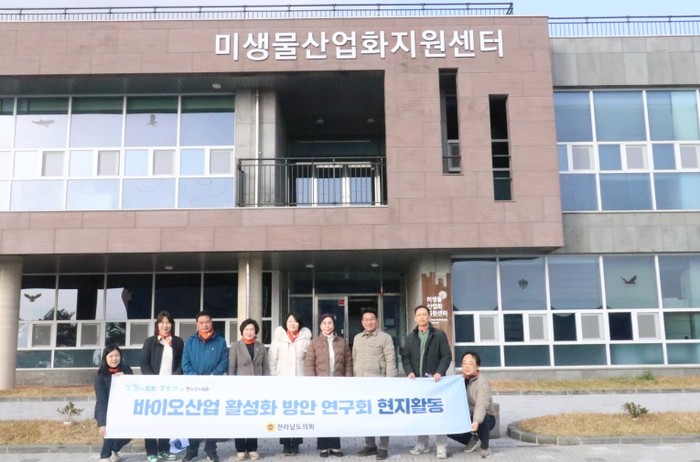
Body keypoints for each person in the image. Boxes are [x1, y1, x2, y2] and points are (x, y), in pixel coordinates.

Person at [401, 305, 452, 460]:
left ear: (429, 317)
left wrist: (439, 371)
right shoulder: (411, 337)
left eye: (424, 314)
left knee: (438, 414)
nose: (422, 317)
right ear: (415, 318)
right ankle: (422, 444)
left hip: (435, 382)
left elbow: (446, 356)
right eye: (419, 315)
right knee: (421, 413)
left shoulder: (439, 335)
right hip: (418, 383)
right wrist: (409, 371)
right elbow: (405, 357)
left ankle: (441, 446)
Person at [182, 311, 229, 462]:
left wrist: (214, 375)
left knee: (212, 419)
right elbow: (185, 363)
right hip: (194, 387)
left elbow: (224, 361)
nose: (205, 325)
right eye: (201, 322)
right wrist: (194, 378)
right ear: (197, 324)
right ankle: (192, 450)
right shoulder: (190, 342)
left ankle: (211, 449)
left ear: (211, 322)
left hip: (214, 386)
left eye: (207, 322)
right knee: (193, 419)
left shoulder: (220, 341)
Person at [304, 313, 353, 458]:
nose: (327, 326)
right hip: (321, 384)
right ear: (320, 326)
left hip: (338, 383)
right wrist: (312, 382)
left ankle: (335, 446)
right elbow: (309, 364)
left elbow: (348, 363)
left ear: (334, 325)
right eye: (324, 323)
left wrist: (348, 380)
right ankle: (323, 446)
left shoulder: (342, 342)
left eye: (330, 323)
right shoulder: (314, 343)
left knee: (336, 414)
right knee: (323, 415)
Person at [352, 308, 396, 460]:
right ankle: (370, 445)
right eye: (366, 319)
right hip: (362, 383)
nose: (369, 322)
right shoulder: (357, 338)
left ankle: (383, 447)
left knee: (382, 416)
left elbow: (391, 360)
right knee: (367, 415)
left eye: (371, 319)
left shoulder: (385, 338)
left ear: (376, 320)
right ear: (362, 322)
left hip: (380, 382)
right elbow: (354, 359)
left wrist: (390, 381)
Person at [141, 310, 185, 462]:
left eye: (168, 323)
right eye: (162, 322)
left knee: (166, 419)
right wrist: (154, 381)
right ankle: (151, 452)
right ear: (157, 325)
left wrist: (176, 375)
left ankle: (164, 450)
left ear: (172, 325)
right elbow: (144, 364)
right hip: (153, 388)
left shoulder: (178, 342)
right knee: (151, 420)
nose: (165, 326)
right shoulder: (150, 342)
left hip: (171, 388)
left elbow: (181, 363)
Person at [268, 312, 313, 456]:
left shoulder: (306, 340)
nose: (292, 324)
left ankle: (296, 444)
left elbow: (310, 360)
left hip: (300, 380)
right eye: (290, 321)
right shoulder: (278, 340)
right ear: (285, 323)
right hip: (282, 381)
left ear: (299, 324)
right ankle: (286, 444)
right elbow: (272, 360)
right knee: (285, 412)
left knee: (298, 412)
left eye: (295, 321)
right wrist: (274, 377)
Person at [229, 318, 270, 461]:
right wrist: (232, 387)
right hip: (240, 389)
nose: (249, 332)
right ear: (242, 331)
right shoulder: (235, 346)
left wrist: (266, 385)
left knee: (254, 418)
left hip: (257, 388)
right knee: (240, 419)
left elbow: (266, 368)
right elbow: (231, 368)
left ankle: (252, 448)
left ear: (255, 331)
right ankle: (240, 449)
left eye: (252, 329)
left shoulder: (260, 346)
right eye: (246, 329)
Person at [448, 351, 497, 459]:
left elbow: (481, 405)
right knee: (446, 425)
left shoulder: (482, 382)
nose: (467, 366)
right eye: (464, 363)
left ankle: (485, 447)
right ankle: (470, 440)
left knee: (482, 420)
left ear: (477, 366)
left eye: (470, 363)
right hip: (466, 415)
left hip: (486, 416)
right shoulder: (458, 379)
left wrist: (476, 421)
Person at [94, 345, 132, 462]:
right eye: (111, 356)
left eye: (117, 355)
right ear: (105, 358)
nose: (114, 359)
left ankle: (114, 450)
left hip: (125, 408)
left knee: (130, 433)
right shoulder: (100, 375)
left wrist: (125, 379)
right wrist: (102, 423)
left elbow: (133, 387)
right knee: (111, 431)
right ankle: (105, 456)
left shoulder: (126, 369)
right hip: (108, 409)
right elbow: (101, 400)